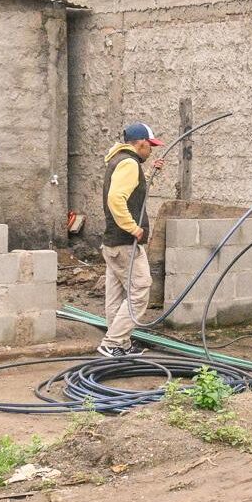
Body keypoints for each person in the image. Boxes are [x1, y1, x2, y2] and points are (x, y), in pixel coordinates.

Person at [98, 122, 165, 358]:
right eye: (150, 147)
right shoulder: (129, 163)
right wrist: (133, 227)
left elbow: (131, 190)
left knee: (116, 293)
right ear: (141, 144)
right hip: (126, 242)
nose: (151, 151)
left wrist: (149, 174)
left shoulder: (120, 160)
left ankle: (120, 344)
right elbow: (117, 198)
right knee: (140, 289)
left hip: (112, 242)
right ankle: (113, 341)